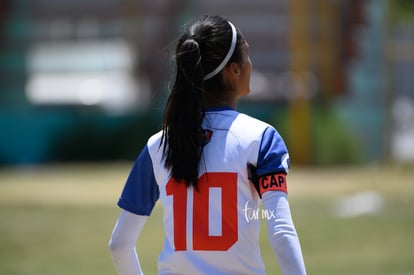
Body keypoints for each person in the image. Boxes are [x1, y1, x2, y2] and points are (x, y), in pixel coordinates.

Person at [109, 15, 306, 275]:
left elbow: (119, 245)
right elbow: (280, 231)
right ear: (233, 70)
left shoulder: (158, 146)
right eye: (246, 55)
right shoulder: (261, 139)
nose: (250, 63)